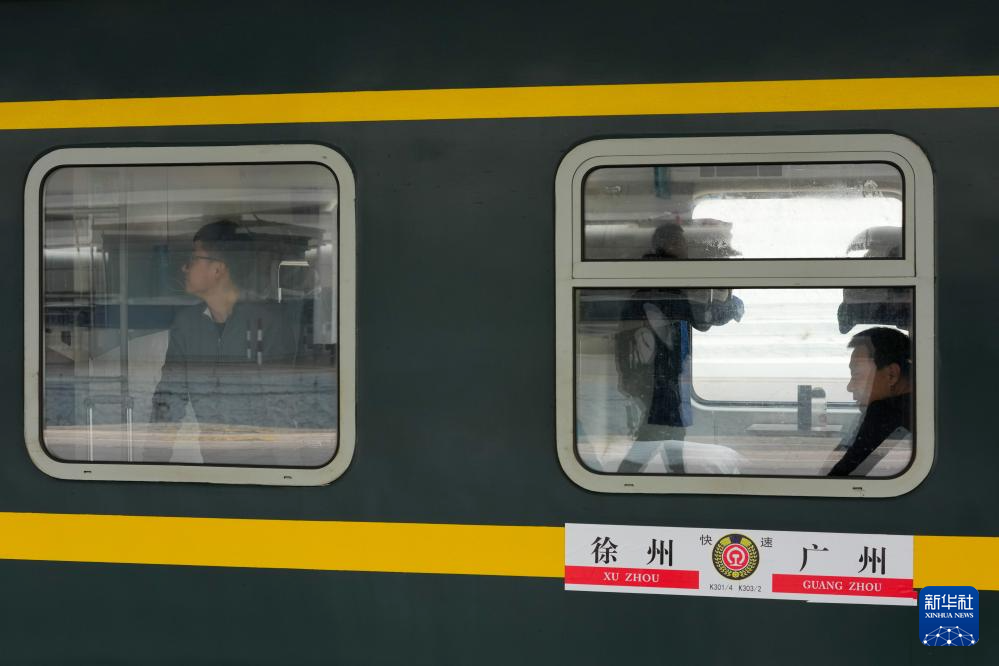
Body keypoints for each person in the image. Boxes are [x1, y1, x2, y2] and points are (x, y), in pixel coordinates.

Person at [149, 220, 297, 463]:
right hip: (213, 462)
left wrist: (287, 470)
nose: (185, 267)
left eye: (193, 259)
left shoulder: (268, 322)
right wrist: (153, 462)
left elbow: (281, 404)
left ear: (218, 269)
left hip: (264, 465)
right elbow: (169, 398)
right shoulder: (187, 324)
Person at [615, 221, 743, 473]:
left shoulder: (653, 282)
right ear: (668, 245)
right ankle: (629, 476)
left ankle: (673, 476)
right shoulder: (665, 286)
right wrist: (733, 304)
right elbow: (703, 319)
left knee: (667, 430)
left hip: (653, 375)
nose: (685, 247)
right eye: (680, 242)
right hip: (658, 376)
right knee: (659, 430)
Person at [827, 327, 912, 476]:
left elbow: (839, 477)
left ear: (891, 375)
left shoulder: (885, 413)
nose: (849, 387)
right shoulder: (915, 411)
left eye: (856, 375)